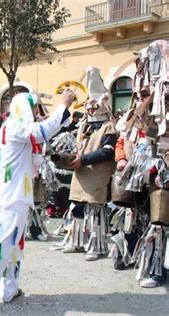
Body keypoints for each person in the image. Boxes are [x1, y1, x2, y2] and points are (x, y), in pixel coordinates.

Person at [0, 91, 74, 309]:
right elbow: (40, 133)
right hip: (12, 194)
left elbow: (42, 135)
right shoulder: (15, 126)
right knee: (6, 240)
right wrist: (62, 105)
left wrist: (51, 117)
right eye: (34, 108)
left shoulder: (17, 125)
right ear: (23, 108)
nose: (37, 112)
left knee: (16, 243)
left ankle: (9, 289)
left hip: (18, 193)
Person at [63, 70, 117, 261]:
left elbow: (108, 151)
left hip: (97, 174)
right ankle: (76, 241)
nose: (91, 110)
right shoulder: (84, 125)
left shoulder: (109, 127)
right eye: (89, 107)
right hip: (80, 173)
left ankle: (96, 245)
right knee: (77, 206)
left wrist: (83, 160)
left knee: (94, 209)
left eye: (94, 107)